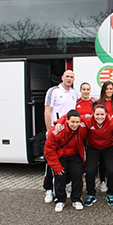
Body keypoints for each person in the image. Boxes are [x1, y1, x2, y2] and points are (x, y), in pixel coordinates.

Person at [55, 103, 113, 207]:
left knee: (111, 170)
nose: (100, 117)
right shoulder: (87, 119)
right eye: (97, 114)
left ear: (106, 114)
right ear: (93, 114)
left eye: (102, 114)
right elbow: (68, 116)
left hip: (109, 147)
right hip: (93, 148)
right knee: (90, 171)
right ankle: (91, 194)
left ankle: (111, 193)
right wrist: (59, 122)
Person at [43, 70, 78, 204]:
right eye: (67, 76)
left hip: (69, 133)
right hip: (56, 132)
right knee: (51, 163)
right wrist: (49, 131)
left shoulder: (74, 93)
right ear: (62, 77)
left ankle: (61, 189)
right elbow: (47, 111)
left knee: (65, 165)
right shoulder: (54, 91)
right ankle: (48, 190)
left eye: (72, 77)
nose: (69, 79)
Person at [44, 109, 86, 212]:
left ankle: (76, 199)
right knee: (60, 175)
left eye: (77, 122)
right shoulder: (56, 131)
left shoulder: (81, 128)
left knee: (77, 175)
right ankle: (60, 200)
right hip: (60, 156)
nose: (75, 124)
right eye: (72, 122)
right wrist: (56, 167)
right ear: (66, 120)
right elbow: (49, 150)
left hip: (74, 155)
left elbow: (91, 117)